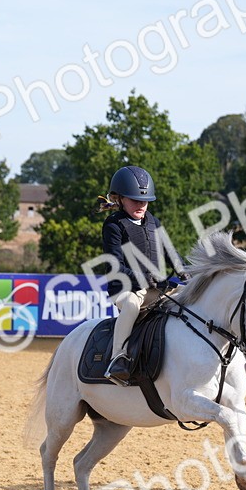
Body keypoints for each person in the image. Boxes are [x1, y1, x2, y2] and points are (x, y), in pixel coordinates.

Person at [100, 165, 177, 385]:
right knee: (133, 305)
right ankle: (118, 359)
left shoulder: (154, 222)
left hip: (155, 290)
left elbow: (170, 252)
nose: (141, 205)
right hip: (125, 291)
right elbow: (114, 267)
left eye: (144, 201)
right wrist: (145, 278)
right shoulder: (113, 225)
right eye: (135, 200)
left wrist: (185, 272)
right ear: (120, 199)